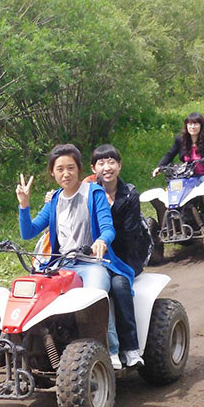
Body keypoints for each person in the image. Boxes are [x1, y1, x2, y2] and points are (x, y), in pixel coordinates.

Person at [16, 144, 135, 370]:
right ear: (52, 172)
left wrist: (101, 241)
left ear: (79, 169)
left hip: (91, 264)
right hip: (61, 265)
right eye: (60, 169)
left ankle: (110, 350)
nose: (66, 173)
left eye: (70, 167)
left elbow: (108, 228)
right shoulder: (54, 201)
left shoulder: (94, 193)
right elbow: (28, 232)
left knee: (97, 296)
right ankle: (41, 350)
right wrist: (24, 205)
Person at [89, 144, 147, 367]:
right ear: (94, 168)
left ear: (120, 166)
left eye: (111, 162)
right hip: (94, 257)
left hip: (124, 256)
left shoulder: (130, 194)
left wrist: (104, 239)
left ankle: (130, 348)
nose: (107, 167)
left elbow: (130, 234)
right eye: (101, 163)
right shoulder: (90, 192)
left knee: (119, 286)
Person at [152, 112, 204, 222]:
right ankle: (177, 219)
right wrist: (159, 167)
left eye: (195, 124)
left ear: (201, 126)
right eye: (190, 124)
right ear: (186, 126)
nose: (192, 127)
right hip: (187, 175)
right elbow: (170, 154)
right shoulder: (181, 139)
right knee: (174, 191)